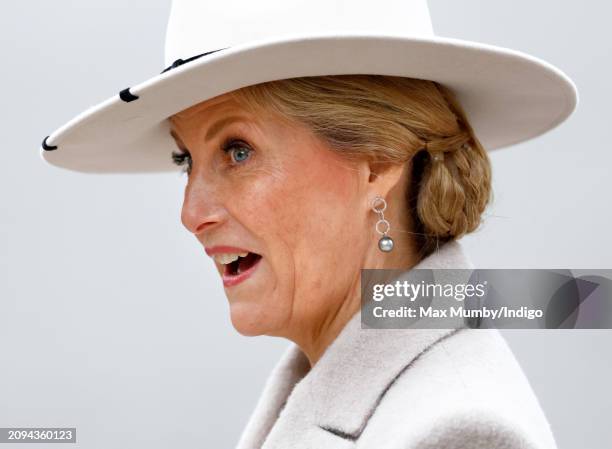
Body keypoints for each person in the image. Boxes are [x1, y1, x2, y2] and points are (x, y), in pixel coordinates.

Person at [40, 1, 578, 448]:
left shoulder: (456, 432)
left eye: (238, 150)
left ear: (379, 158)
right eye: (186, 160)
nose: (191, 213)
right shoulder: (327, 385)